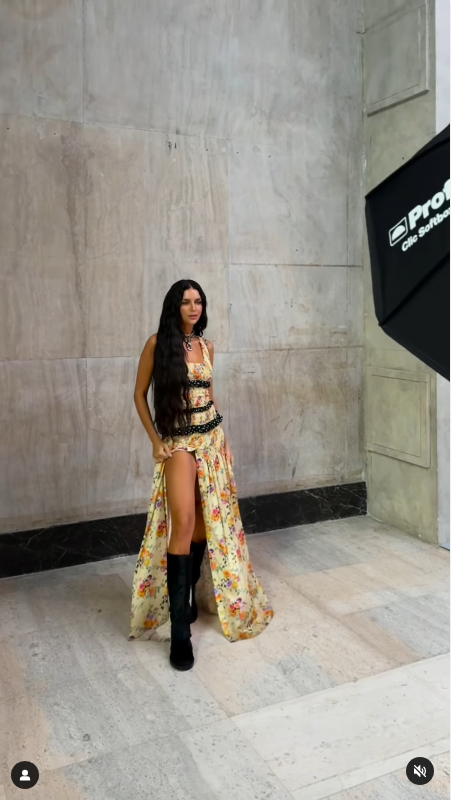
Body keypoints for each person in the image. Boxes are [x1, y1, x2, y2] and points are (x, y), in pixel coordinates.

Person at [129, 279, 273, 670]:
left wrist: (224, 441)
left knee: (202, 526)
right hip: (179, 442)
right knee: (183, 523)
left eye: (199, 301)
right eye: (186, 302)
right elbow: (138, 395)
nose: (194, 307)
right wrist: (155, 441)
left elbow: (208, 396)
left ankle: (190, 594)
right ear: (174, 306)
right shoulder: (157, 344)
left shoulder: (207, 347)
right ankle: (180, 630)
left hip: (211, 440)